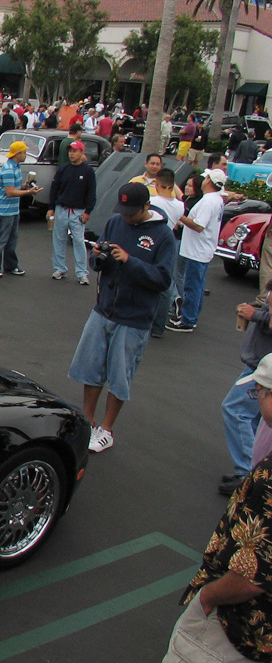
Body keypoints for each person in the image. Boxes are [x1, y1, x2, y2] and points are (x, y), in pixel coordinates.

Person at [130, 361, 272, 663]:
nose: (257, 398)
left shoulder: (269, 480)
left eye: (261, 391)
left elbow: (252, 575)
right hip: (266, 631)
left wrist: (209, 597)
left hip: (234, 617)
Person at [68, 182, 176, 454]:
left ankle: (106, 429)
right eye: (123, 210)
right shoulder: (116, 223)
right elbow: (97, 265)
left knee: (119, 376)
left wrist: (130, 261)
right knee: (91, 368)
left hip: (134, 318)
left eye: (131, 212)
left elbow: (163, 280)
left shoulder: (163, 236)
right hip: (103, 309)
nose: (126, 216)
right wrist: (98, 258)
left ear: (146, 207)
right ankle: (87, 421)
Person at [219, 282, 272, 497]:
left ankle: (249, 476)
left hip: (263, 369)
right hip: (258, 365)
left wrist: (256, 315)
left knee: (235, 410)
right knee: (254, 419)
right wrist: (255, 310)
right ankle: (251, 471)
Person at [169, 167, 226, 333]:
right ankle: (191, 317)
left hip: (197, 249)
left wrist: (180, 216)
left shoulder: (209, 201)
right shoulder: (216, 199)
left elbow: (199, 225)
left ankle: (188, 320)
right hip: (202, 248)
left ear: (208, 181)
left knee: (192, 285)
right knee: (197, 286)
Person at [48, 139, 96, 285]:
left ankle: (82, 273)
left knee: (79, 241)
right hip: (61, 209)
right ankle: (60, 268)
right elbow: (54, 189)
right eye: (70, 151)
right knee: (59, 240)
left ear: (82, 152)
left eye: (75, 151)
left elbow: (91, 193)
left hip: (78, 211)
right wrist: (51, 208)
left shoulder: (88, 171)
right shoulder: (63, 169)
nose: (71, 153)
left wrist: (88, 211)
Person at [0, 141, 34, 278]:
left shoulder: (16, 167)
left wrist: (26, 185)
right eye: (24, 152)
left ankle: (11, 265)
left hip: (13, 210)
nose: (26, 155)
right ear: (17, 154)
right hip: (4, 210)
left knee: (12, 240)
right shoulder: (8, 169)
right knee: (0, 239)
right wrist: (29, 191)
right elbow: (10, 192)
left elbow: (15, 187)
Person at [149, 168, 186, 339]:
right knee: (164, 285)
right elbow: (180, 195)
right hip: (168, 243)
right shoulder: (180, 205)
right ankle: (159, 326)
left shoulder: (152, 200)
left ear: (157, 183)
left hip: (152, 241)